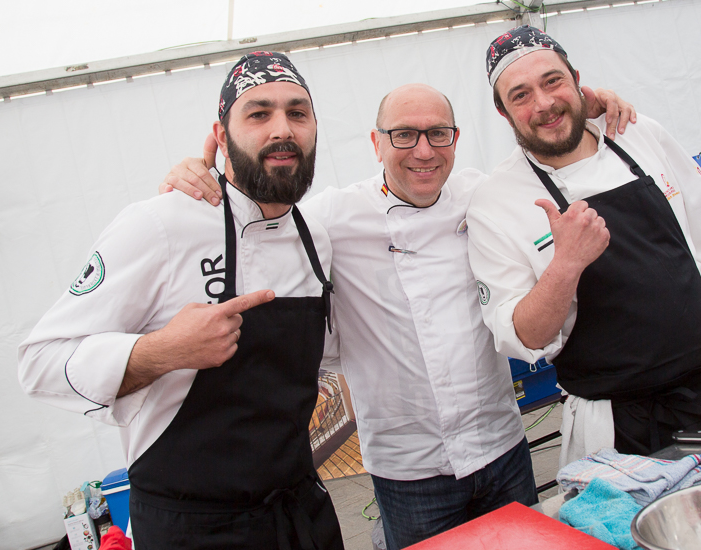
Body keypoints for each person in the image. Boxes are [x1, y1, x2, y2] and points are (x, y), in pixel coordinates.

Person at [162, 83, 635, 548]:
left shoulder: (482, 196)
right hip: (408, 470)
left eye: (438, 134)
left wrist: (592, 113)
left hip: (501, 447)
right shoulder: (330, 217)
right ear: (376, 143)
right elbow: (255, 227)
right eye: (404, 135)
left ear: (455, 140)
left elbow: (554, 162)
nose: (423, 151)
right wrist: (197, 178)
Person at [18, 52, 343, 549]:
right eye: (258, 114)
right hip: (192, 529)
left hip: (300, 516)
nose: (283, 129)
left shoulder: (316, 235)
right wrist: (161, 351)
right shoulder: (160, 224)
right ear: (221, 134)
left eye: (298, 113)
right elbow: (39, 363)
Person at [466, 26, 701, 463]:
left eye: (553, 81)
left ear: (577, 80)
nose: (544, 104)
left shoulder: (638, 135)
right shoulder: (495, 202)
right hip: (619, 428)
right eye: (520, 95)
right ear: (504, 112)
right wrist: (565, 264)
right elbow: (523, 334)